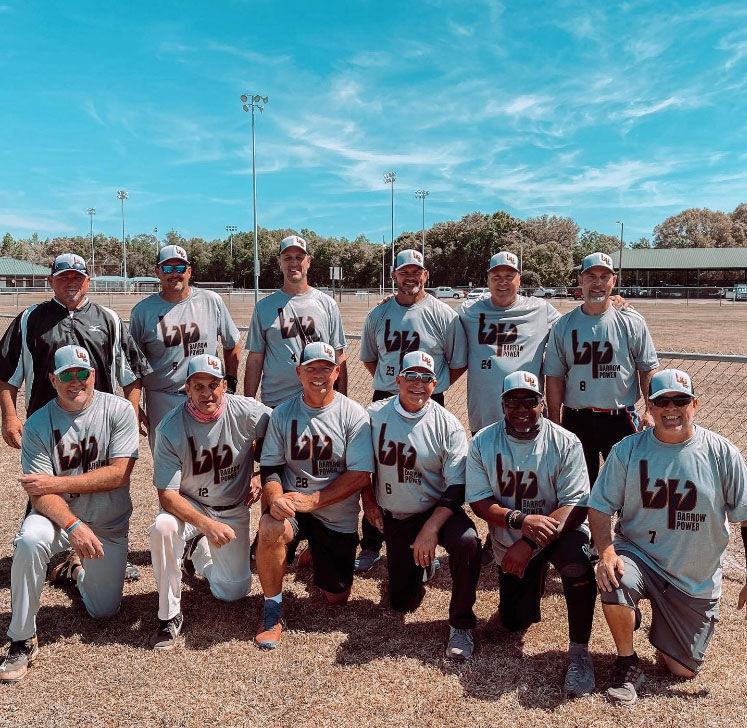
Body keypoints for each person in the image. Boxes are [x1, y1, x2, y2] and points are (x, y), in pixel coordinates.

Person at [589, 368, 747, 705]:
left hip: (693, 579)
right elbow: (600, 506)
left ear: (695, 405)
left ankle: (661, 622)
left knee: (681, 670)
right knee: (615, 579)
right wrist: (606, 551)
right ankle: (627, 662)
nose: (671, 408)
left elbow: (746, 517)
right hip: (640, 556)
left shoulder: (722, 453)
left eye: (680, 400)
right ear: (650, 406)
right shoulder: (628, 450)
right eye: (662, 401)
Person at [0, 252, 149, 581]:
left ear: (88, 281)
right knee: (46, 487)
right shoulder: (30, 319)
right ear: (50, 281)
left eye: (77, 277)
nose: (71, 282)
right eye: (63, 277)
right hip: (47, 426)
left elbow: (132, 374)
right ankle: (46, 554)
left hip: (100, 426)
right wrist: (9, 416)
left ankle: (107, 552)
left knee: (102, 489)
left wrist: (130, 413)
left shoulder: (108, 319)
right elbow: (6, 374)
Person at [0, 345, 139, 683]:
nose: (75, 381)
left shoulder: (119, 409)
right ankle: (21, 638)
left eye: (82, 373)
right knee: (30, 540)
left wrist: (57, 482)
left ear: (93, 374)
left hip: (106, 522)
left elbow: (119, 474)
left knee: (103, 611)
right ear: (53, 379)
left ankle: (73, 570)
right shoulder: (38, 424)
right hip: (60, 521)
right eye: (67, 375)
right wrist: (73, 524)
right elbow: (39, 494)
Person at [466, 370, 597, 697]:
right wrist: (520, 522)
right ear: (502, 405)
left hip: (560, 530)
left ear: (543, 404)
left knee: (577, 564)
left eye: (530, 401)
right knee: (514, 622)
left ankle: (580, 652)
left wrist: (529, 542)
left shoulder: (565, 441)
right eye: (513, 402)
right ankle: (531, 580)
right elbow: (479, 502)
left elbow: (576, 505)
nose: (522, 409)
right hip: (513, 532)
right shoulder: (483, 441)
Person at [254, 342, 373, 650]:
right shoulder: (283, 413)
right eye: (311, 368)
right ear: (299, 372)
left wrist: (314, 500)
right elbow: (270, 467)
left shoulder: (353, 414)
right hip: (293, 507)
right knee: (269, 527)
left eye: (325, 368)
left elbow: (360, 475)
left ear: (337, 372)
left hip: (335, 512)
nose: (318, 375)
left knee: (336, 598)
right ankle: (272, 610)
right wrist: (276, 498)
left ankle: (316, 552)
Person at [147, 354, 271, 649]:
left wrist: (262, 473)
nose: (207, 393)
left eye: (213, 385)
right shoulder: (170, 427)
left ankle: (198, 554)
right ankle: (169, 615)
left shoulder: (248, 411)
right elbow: (167, 495)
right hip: (191, 506)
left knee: (233, 591)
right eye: (198, 386)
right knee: (163, 527)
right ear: (187, 390)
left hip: (232, 507)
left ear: (224, 386)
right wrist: (206, 525)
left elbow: (279, 430)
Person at [364, 350, 480, 660]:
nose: (418, 383)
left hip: (438, 508)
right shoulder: (374, 415)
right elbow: (359, 465)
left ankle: (461, 624)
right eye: (411, 376)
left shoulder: (448, 424)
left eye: (426, 378)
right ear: (397, 379)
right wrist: (369, 501)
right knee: (403, 603)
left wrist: (431, 528)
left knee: (468, 541)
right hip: (399, 513)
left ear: (435, 384)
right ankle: (423, 564)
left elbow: (457, 485)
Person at [357, 249, 468, 571]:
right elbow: (369, 358)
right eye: (403, 272)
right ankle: (371, 544)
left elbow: (457, 362)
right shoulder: (378, 314)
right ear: (393, 276)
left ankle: (429, 537)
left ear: (426, 275)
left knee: (426, 469)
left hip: (427, 398)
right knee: (379, 468)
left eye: (416, 272)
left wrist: (428, 387)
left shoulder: (443, 314)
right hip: (387, 395)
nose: (410, 277)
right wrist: (396, 385)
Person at [546, 252, 658, 485]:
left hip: (620, 417)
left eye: (604, 277)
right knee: (578, 487)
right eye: (591, 277)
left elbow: (647, 368)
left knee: (628, 486)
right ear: (580, 280)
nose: (597, 283)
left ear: (613, 281)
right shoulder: (564, 325)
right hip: (576, 419)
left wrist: (650, 411)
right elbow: (555, 376)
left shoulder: (631, 321)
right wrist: (554, 422)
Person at [129, 244, 241, 448]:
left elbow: (232, 342)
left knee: (210, 456)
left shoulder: (211, 301)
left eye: (180, 268)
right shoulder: (142, 311)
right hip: (163, 397)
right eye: (167, 268)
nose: (174, 274)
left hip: (206, 395)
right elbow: (133, 365)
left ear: (189, 271)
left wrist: (231, 382)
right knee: (168, 459)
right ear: (157, 272)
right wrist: (134, 405)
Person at [457, 251, 561, 436]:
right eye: (496, 277)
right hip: (484, 417)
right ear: (488, 280)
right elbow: (440, 322)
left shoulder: (540, 309)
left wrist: (610, 305)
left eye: (509, 276)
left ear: (519, 280)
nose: (502, 282)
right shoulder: (469, 311)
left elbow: (573, 328)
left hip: (528, 414)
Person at [243, 235, 347, 408]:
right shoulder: (264, 307)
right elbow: (255, 359)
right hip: (276, 402)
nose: (293, 263)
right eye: (287, 258)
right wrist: (249, 404)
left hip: (319, 402)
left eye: (299, 257)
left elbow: (339, 355)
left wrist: (341, 403)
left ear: (308, 261)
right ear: (279, 262)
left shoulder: (327, 304)